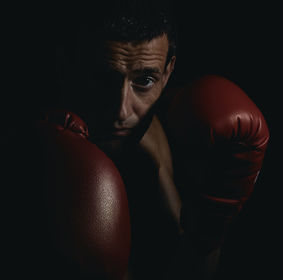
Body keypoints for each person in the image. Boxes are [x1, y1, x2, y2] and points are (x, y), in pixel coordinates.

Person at [6, 0, 269, 279]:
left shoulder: (191, 134)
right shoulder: (31, 151)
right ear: (66, 65)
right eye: (103, 78)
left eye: (144, 81)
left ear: (168, 72)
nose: (122, 110)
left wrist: (209, 234)